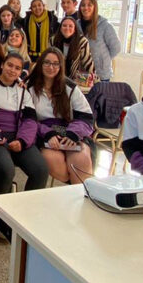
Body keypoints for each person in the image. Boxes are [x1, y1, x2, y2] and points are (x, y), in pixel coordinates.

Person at [0, 52, 48, 202]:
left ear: (21, 72)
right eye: (9, 65)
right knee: (7, 170)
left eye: (17, 68)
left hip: (19, 138)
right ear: (2, 65)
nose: (12, 70)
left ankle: (24, 209)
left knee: (41, 170)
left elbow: (30, 120)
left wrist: (22, 141)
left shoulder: (22, 91)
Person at [26, 48, 94, 184]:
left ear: (61, 66)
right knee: (57, 164)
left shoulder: (71, 87)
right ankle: (72, 191)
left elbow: (86, 117)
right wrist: (48, 134)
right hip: (44, 134)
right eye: (47, 63)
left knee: (81, 159)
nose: (51, 67)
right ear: (40, 64)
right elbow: (28, 120)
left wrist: (73, 133)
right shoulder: (30, 88)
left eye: (56, 63)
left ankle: (80, 198)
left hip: (70, 132)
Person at [78, 0, 120, 82]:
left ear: (95, 7)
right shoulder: (76, 24)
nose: (86, 8)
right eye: (83, 5)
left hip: (100, 73)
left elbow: (116, 48)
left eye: (89, 5)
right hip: (82, 72)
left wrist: (102, 59)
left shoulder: (105, 25)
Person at [51, 17, 94, 81]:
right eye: (64, 26)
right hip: (55, 77)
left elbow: (87, 62)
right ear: (60, 28)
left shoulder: (82, 41)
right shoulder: (53, 40)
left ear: (75, 29)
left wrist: (92, 78)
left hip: (73, 79)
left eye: (70, 26)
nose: (67, 28)